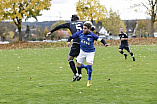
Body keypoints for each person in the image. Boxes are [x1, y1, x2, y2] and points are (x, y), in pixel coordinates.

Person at [46, 15, 88, 82]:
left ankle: (76, 74)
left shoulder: (70, 24)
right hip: (84, 42)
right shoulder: (83, 23)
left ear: (72, 19)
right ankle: (80, 74)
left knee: (70, 58)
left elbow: (59, 26)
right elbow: (90, 27)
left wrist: (51, 32)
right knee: (77, 58)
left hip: (76, 42)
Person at [69, 22, 109, 87]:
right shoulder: (80, 33)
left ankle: (89, 81)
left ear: (89, 29)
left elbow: (100, 39)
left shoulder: (92, 35)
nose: (83, 29)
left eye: (85, 28)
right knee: (78, 66)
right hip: (82, 52)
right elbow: (71, 37)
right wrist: (68, 41)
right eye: (83, 28)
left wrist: (105, 43)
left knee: (90, 65)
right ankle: (86, 67)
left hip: (90, 52)